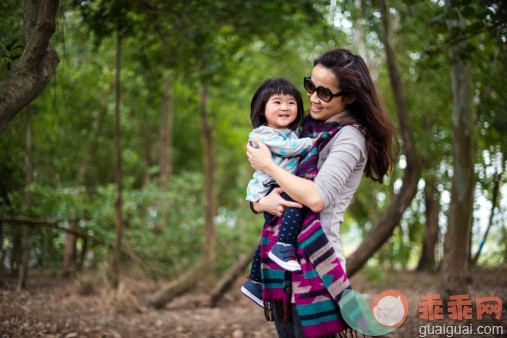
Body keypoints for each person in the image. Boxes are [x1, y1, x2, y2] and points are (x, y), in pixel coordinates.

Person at [246, 49, 397, 337]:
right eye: (310, 86)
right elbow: (265, 183)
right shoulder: (303, 129)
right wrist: (260, 203)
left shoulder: (349, 137)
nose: (313, 97)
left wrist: (268, 164)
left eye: (325, 93)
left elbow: (316, 198)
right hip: (280, 261)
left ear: (349, 98)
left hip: (315, 263)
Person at [241, 78, 321, 307]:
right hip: (269, 190)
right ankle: (283, 246)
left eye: (291, 102)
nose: (285, 107)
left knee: (267, 231)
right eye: (277, 102)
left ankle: (255, 281)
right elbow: (288, 149)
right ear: (262, 109)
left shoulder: (291, 133)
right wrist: (312, 143)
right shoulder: (261, 134)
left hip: (279, 187)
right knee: (297, 203)